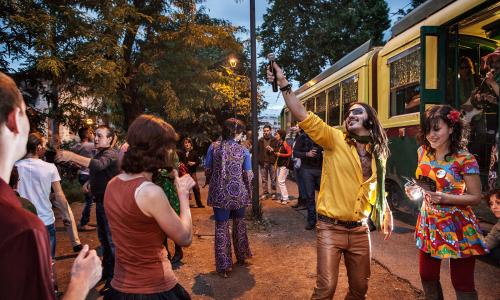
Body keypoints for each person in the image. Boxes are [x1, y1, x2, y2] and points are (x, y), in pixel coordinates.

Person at [267, 63, 393, 299]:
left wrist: (384, 209)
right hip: (330, 228)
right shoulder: (334, 139)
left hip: (360, 229)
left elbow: (377, 187)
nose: (350, 115)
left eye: (357, 112)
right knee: (326, 288)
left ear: (370, 119)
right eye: (349, 113)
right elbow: (302, 114)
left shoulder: (379, 153)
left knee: (360, 290)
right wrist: (283, 83)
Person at [0, 71, 101, 299]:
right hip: (45, 221)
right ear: (15, 120)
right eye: (27, 112)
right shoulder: (22, 228)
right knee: (49, 265)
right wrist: (81, 282)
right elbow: (60, 198)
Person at [103, 114, 194, 299]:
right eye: (168, 146)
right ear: (156, 150)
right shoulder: (150, 192)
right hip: (153, 288)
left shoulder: (112, 184)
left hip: (120, 287)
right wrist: (183, 195)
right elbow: (185, 237)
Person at [412, 105, 488, 300]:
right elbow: (423, 181)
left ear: (452, 128)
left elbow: (476, 197)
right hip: (429, 221)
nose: (431, 135)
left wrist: (446, 198)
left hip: (458, 224)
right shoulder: (422, 152)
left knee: (461, 281)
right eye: (428, 129)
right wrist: (414, 189)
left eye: (437, 129)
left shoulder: (465, 159)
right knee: (427, 275)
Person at [56, 124, 119, 293]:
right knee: (104, 240)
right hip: (101, 202)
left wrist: (72, 156)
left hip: (110, 204)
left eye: (100, 136)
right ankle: (108, 272)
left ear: (111, 139)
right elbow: (100, 171)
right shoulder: (100, 152)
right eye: (95, 135)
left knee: (112, 242)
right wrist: (91, 182)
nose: (96, 138)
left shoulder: (112, 153)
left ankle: (115, 280)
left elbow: (98, 165)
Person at [16, 132, 83, 259]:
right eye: (43, 145)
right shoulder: (50, 167)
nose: (45, 148)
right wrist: (67, 216)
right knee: (47, 263)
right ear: (38, 148)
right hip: (45, 220)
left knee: (25, 261)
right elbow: (59, 195)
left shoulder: (15, 167)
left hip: (22, 221)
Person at [205, 118, 253, 278]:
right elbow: (248, 175)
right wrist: (249, 193)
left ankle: (224, 266)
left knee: (221, 227)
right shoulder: (244, 150)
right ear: (236, 133)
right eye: (241, 133)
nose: (242, 136)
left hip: (219, 194)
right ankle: (242, 256)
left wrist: (213, 181)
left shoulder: (213, 148)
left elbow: (208, 170)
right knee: (239, 224)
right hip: (238, 193)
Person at [156, 148, 185, 264]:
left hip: (170, 191)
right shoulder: (153, 151)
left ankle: (178, 251)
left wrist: (161, 172)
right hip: (157, 191)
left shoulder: (172, 152)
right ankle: (166, 252)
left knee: (173, 222)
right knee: (160, 224)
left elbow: (175, 173)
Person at [293, 130, 323, 230]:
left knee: (324, 196)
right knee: (310, 196)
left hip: (321, 169)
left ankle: (323, 220)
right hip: (307, 170)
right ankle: (311, 221)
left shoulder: (322, 134)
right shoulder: (302, 137)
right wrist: (307, 154)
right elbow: (295, 152)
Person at [72, 127, 96, 232]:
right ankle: (83, 223)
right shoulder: (90, 146)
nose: (92, 134)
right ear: (86, 135)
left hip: (81, 173)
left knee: (89, 199)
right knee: (89, 201)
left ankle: (85, 221)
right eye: (90, 132)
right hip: (88, 175)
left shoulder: (76, 146)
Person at [180, 137, 204, 208]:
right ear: (184, 144)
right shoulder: (182, 153)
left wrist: (194, 163)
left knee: (196, 188)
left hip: (192, 172)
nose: (187, 144)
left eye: (188, 142)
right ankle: (184, 204)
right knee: (184, 189)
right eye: (185, 143)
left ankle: (199, 204)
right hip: (184, 173)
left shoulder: (194, 153)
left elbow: (199, 162)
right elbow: (179, 162)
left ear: (191, 144)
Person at [258, 124, 278, 199]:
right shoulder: (260, 140)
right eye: (264, 131)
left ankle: (274, 193)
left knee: (273, 178)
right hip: (263, 162)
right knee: (264, 179)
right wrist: (259, 160)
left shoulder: (274, 140)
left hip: (272, 161)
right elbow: (258, 151)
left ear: (270, 131)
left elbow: (277, 150)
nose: (266, 132)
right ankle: (265, 193)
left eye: (267, 131)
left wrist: (272, 150)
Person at [274, 129, 292, 204]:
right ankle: (283, 197)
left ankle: (285, 198)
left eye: (277, 134)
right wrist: (273, 150)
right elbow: (278, 153)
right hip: (280, 164)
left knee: (281, 181)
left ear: (281, 135)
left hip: (284, 165)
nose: (276, 135)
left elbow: (290, 153)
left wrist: (280, 154)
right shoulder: (280, 143)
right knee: (280, 181)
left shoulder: (285, 143)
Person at [484, 189, 500, 266]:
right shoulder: (498, 226)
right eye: (491, 204)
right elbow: (488, 243)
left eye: (498, 203)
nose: (494, 207)